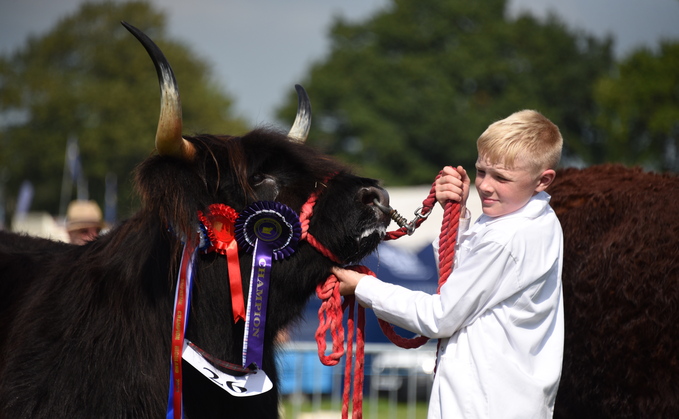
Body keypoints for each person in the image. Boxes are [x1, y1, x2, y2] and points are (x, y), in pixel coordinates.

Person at [333, 109, 565, 418]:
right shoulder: (538, 220)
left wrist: (364, 287)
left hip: (483, 405)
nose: (485, 185)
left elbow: (440, 317)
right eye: (481, 170)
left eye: (502, 178)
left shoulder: (507, 237)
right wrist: (458, 215)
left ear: (543, 180)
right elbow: (459, 283)